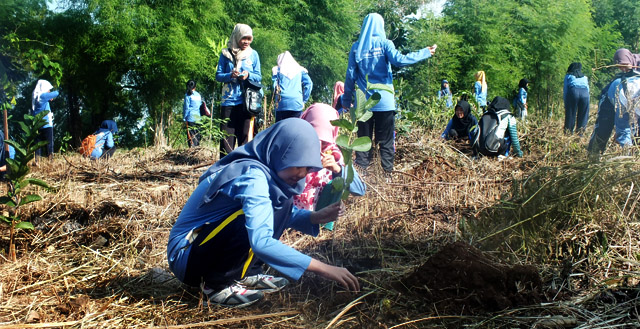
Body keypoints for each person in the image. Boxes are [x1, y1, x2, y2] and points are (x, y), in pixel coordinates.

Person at [166, 119, 360, 307]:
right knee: (248, 214)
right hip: (188, 256)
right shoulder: (252, 175)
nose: (302, 174)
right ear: (280, 152)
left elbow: (281, 213)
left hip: (205, 248)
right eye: (297, 164)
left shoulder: (271, 177)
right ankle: (215, 286)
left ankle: (247, 273)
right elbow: (261, 241)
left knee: (281, 203)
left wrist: (315, 217)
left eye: (307, 168)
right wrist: (325, 269)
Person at [343, 13, 436, 174]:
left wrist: (345, 100)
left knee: (362, 142)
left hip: (363, 105)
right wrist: (424, 52)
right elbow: (399, 60)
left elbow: (350, 76)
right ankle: (385, 175)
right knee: (385, 141)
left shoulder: (356, 47)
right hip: (384, 103)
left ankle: (362, 176)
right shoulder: (385, 44)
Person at [294, 104, 366, 230]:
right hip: (294, 219)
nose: (320, 144)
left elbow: (359, 190)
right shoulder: (294, 149)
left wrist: (338, 169)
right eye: (315, 138)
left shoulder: (336, 155)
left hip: (321, 224)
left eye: (325, 140)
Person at [216, 23, 262, 157]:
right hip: (228, 102)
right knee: (226, 141)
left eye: (249, 39)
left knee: (245, 140)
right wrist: (229, 75)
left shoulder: (253, 55)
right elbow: (218, 76)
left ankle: (242, 169)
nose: (246, 42)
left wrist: (248, 75)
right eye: (243, 38)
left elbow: (258, 76)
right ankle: (224, 171)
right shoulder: (225, 54)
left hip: (246, 103)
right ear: (237, 37)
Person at [588, 48, 640, 154]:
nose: (623, 69)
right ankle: (593, 155)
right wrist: (627, 151)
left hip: (630, 98)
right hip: (612, 98)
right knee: (604, 128)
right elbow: (623, 128)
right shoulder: (624, 96)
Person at [272, 51, 313, 122]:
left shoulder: (277, 70)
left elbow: (275, 86)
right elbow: (309, 83)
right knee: (295, 128)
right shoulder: (300, 70)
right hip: (296, 103)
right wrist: (304, 100)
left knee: (280, 129)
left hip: (282, 103)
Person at [31, 79, 58, 160]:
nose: (49, 91)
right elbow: (57, 93)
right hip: (46, 124)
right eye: (48, 89)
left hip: (37, 124)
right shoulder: (43, 96)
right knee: (49, 143)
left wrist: (48, 97)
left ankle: (37, 160)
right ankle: (50, 159)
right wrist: (49, 95)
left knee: (38, 144)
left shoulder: (36, 97)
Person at [563, 63, 590, 134]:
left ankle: (568, 133)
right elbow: (587, 89)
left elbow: (565, 90)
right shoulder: (585, 77)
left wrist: (566, 103)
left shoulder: (568, 76)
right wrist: (588, 104)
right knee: (583, 114)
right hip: (585, 94)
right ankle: (580, 134)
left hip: (573, 92)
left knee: (571, 114)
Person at [183, 80, 203, 148]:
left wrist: (184, 118)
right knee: (197, 135)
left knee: (191, 136)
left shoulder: (187, 95)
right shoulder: (199, 95)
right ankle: (197, 149)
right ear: (195, 86)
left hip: (190, 118)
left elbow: (186, 108)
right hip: (198, 118)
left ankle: (192, 150)